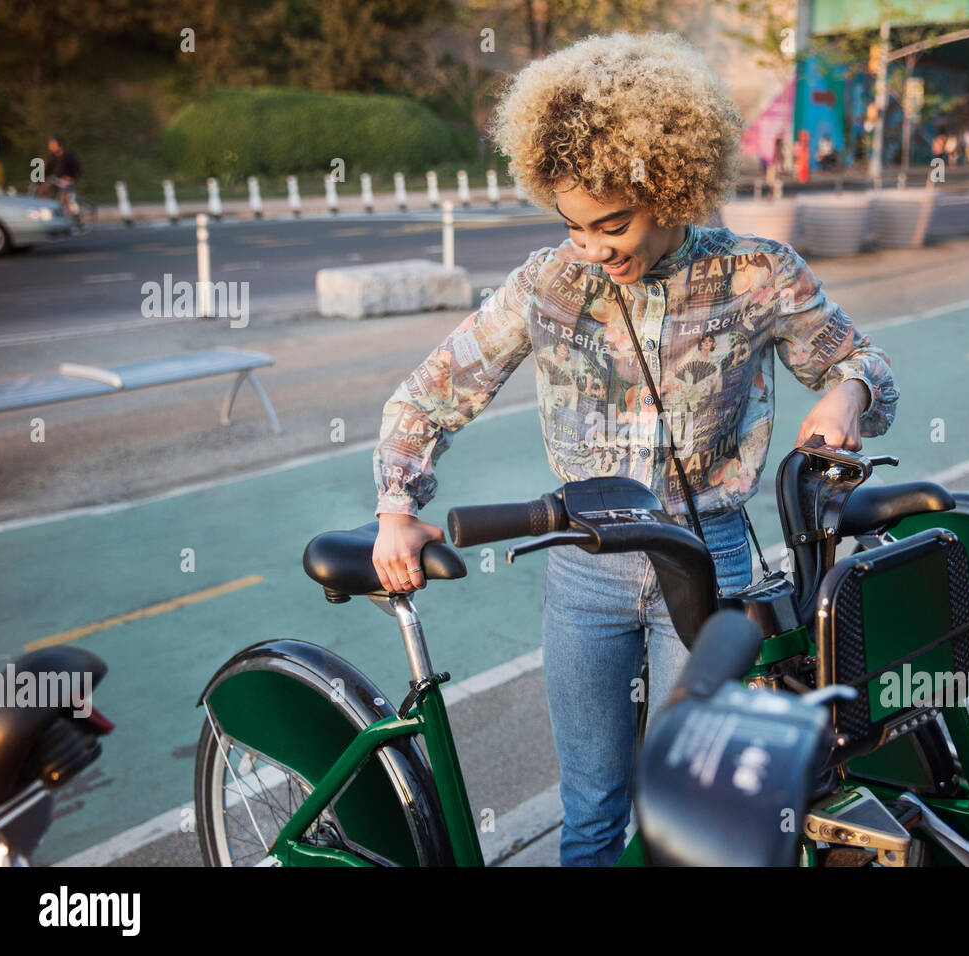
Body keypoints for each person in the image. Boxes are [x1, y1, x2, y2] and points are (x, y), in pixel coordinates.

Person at [370, 31, 898, 867]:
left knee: (693, 817)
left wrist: (846, 394)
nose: (593, 247)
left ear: (672, 186)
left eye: (611, 224)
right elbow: (428, 396)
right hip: (584, 567)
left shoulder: (757, 275)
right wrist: (397, 508)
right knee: (593, 816)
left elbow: (862, 361)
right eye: (573, 226)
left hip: (712, 563)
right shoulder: (548, 285)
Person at [38, 136, 82, 213]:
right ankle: (49, 209)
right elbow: (47, 169)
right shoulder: (53, 156)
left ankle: (70, 215)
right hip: (57, 180)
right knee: (42, 189)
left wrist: (71, 177)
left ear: (60, 145)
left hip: (67, 181)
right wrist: (38, 178)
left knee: (64, 198)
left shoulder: (68, 156)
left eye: (52, 144)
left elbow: (78, 169)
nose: (50, 146)